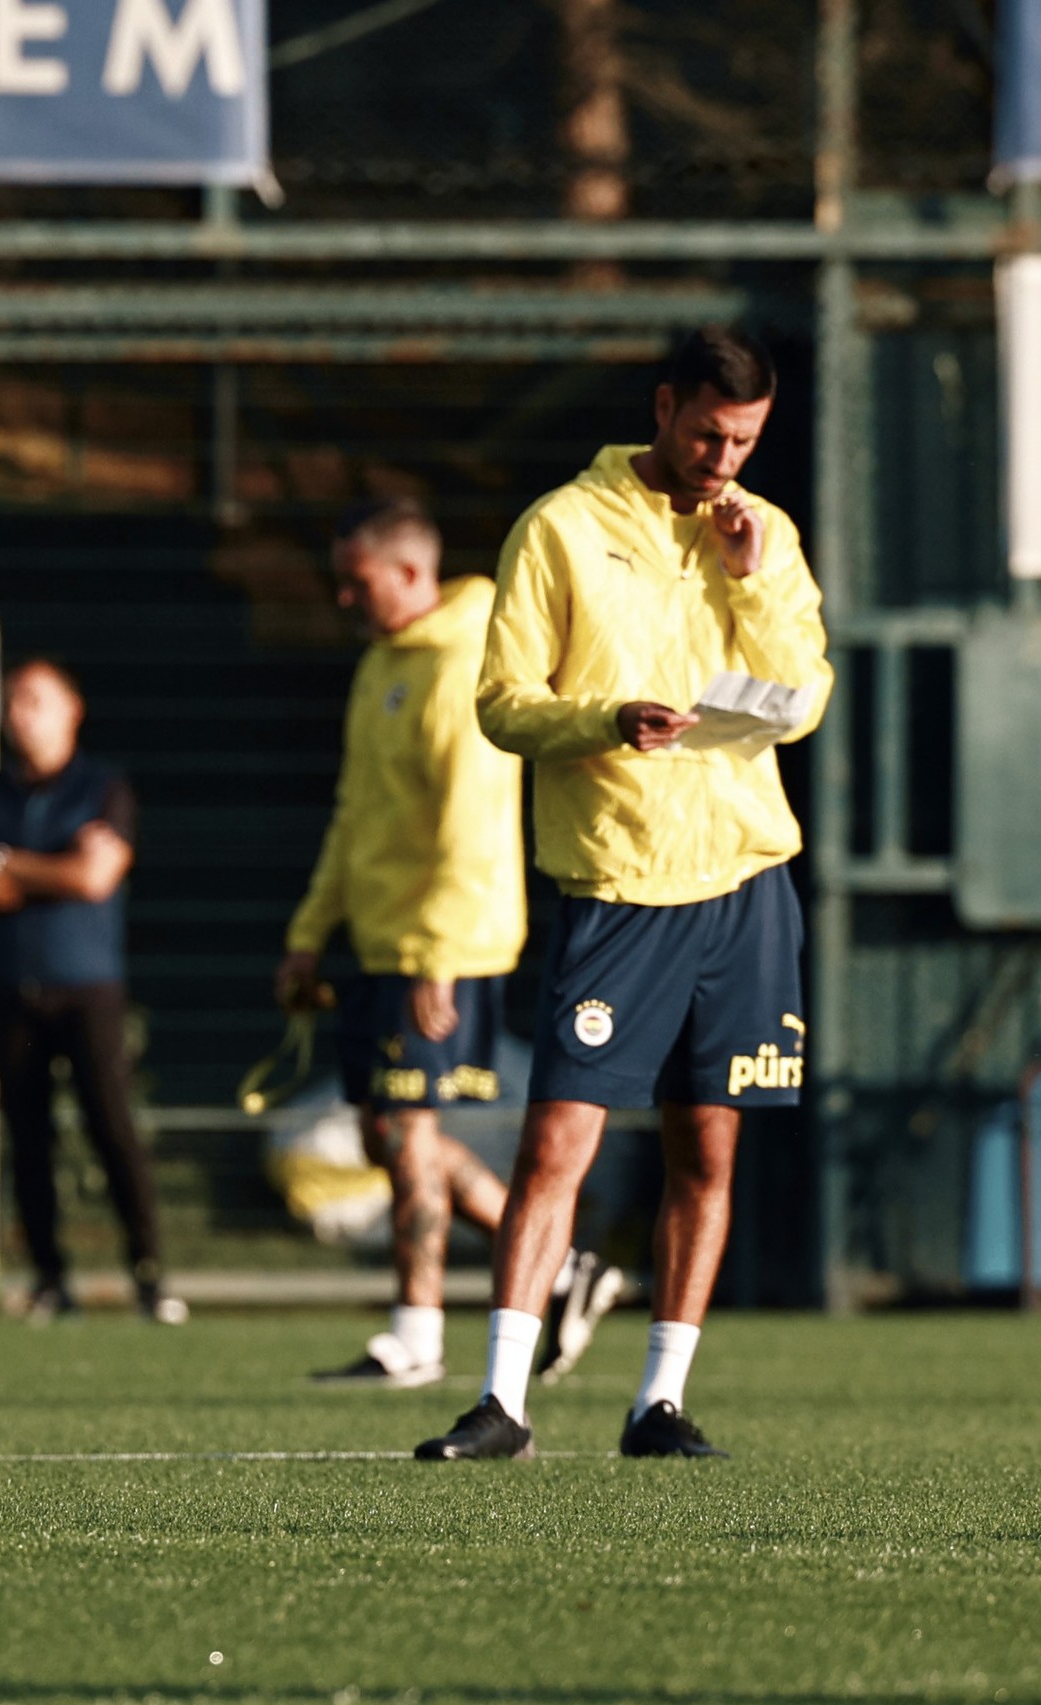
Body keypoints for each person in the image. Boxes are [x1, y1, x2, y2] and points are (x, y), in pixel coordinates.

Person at [417, 325, 831, 1461]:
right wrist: (606, 720)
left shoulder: (764, 534)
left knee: (709, 1146)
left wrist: (750, 584)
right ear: (662, 407)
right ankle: (501, 1397)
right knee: (557, 1141)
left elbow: (800, 695)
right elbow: (502, 702)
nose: (721, 459)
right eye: (706, 433)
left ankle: (658, 1400)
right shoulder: (560, 526)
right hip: (616, 877)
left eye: (743, 439)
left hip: (746, 880)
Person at [276, 498, 537, 1387]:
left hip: (443, 945)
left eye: (359, 583)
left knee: (409, 1128)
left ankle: (417, 1334)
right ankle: (558, 1261)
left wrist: (437, 955)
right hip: (381, 941)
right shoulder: (381, 664)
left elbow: (467, 827)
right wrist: (310, 934)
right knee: (388, 1131)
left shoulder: (464, 662)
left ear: (411, 573)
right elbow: (356, 817)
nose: (347, 599)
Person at [0, 659, 186, 1325]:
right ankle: (49, 1277)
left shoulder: (102, 787)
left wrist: (8, 862)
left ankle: (149, 1273)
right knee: (27, 1136)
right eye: (13, 702)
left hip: (89, 987)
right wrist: (45, 866)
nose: (20, 714)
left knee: (111, 1127)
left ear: (71, 709)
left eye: (35, 700)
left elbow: (94, 878)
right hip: (9, 985)